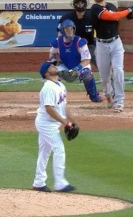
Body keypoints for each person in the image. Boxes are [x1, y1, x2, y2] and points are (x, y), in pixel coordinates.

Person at [32, 60, 76, 193]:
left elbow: (64, 106)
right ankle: (60, 183)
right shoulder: (48, 87)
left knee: (45, 152)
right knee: (59, 149)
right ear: (46, 73)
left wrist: (73, 121)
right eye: (51, 66)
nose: (55, 66)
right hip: (46, 123)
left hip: (52, 123)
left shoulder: (61, 85)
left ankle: (38, 182)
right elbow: (49, 109)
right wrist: (64, 122)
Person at [90, 0, 133, 112]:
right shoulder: (94, 9)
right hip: (101, 45)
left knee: (118, 71)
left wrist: (130, 14)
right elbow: (111, 17)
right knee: (104, 77)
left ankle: (119, 101)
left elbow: (117, 18)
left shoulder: (111, 6)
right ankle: (109, 95)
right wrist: (128, 11)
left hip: (116, 42)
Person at [50, 20, 102, 103]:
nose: (70, 31)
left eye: (71, 29)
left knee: (86, 75)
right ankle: (54, 95)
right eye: (67, 29)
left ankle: (94, 95)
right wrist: (54, 62)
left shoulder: (79, 41)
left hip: (80, 65)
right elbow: (52, 53)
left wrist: (77, 68)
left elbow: (87, 60)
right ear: (63, 31)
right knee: (51, 70)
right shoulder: (58, 42)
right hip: (65, 66)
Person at [58, 0, 96, 67]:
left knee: (99, 59)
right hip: (72, 45)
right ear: (74, 5)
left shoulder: (91, 17)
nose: (80, 5)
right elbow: (60, 32)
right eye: (78, 3)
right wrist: (62, 46)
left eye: (82, 3)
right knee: (63, 61)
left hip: (89, 45)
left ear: (85, 4)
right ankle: (58, 75)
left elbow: (98, 31)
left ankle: (110, 76)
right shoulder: (66, 17)